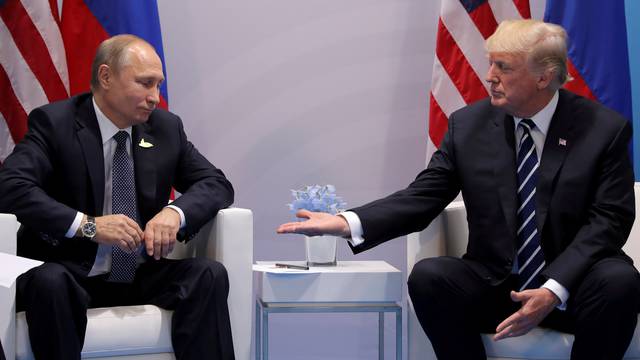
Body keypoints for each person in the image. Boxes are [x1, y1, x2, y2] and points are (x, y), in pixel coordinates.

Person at [278, 19, 640, 359]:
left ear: (544, 77)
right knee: (431, 277)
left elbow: (610, 219)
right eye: (490, 64)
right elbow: (425, 195)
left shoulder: (602, 129)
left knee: (619, 281)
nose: (489, 77)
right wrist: (347, 222)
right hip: (497, 283)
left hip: (572, 287)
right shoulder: (469, 125)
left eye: (504, 67)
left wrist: (553, 288)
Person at [0, 35, 235, 360]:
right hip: (68, 271)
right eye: (145, 84)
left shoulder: (165, 128)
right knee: (50, 281)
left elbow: (216, 184)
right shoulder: (56, 123)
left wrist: (175, 214)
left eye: (158, 86)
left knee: (208, 275)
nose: (155, 97)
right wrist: (90, 226)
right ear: (106, 77)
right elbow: (10, 187)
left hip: (138, 272)